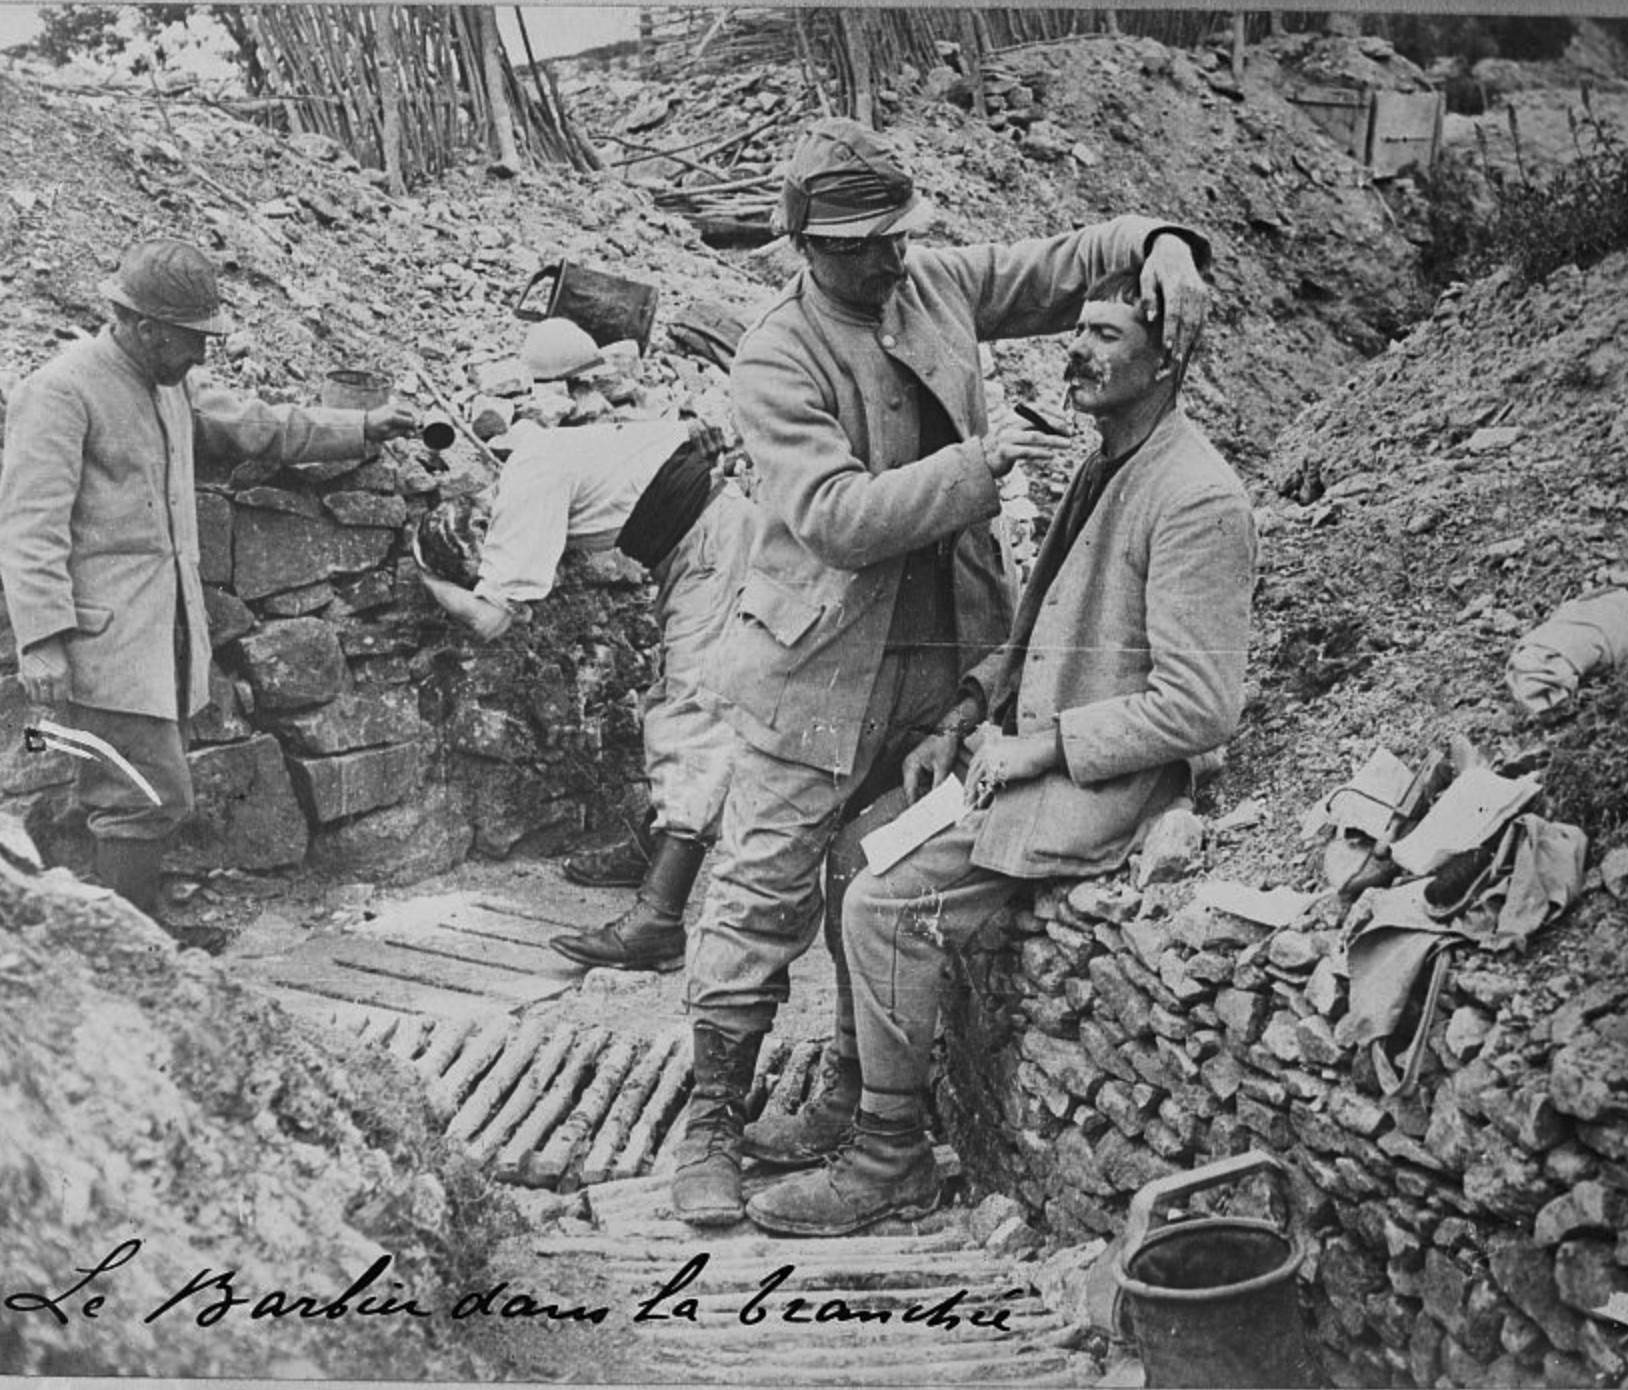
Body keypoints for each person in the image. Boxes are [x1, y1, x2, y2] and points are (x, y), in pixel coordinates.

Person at [671, 115, 1213, 1227]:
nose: (887, 258)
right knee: (760, 890)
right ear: (805, 248)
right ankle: (711, 1121)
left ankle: (847, 1094)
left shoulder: (936, 283)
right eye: (860, 244)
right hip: (817, 664)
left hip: (945, 652)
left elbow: (1070, 265)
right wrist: (980, 464)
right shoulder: (776, 351)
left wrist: (1161, 240)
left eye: (896, 235)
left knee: (873, 872)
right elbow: (831, 517)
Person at [742, 269, 1258, 1237]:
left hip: (1095, 783)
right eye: (1080, 329)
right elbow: (1039, 629)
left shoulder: (1195, 499)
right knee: (856, 844)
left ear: (1167, 358)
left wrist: (1040, 750)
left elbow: (1200, 706)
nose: (1078, 350)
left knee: (887, 901)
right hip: (1026, 751)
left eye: (1106, 336)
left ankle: (887, 1155)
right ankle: (857, 1089)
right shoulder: (1110, 460)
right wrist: (961, 717)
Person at [0, 238, 416, 943]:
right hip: (102, 643)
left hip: (157, 633)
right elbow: (28, 527)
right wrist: (41, 642)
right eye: (193, 340)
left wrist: (361, 426)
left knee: (136, 793)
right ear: (146, 328)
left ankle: (133, 934)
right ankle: (132, 952)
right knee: (146, 794)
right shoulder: (61, 390)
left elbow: (256, 424)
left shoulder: (169, 384)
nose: (203, 355)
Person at [413, 318, 754, 973]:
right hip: (701, 535)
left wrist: (430, 584)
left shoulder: (526, 486)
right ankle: (653, 850)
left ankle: (658, 922)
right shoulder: (537, 457)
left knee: (693, 711)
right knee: (670, 697)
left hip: (712, 541)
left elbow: (492, 621)